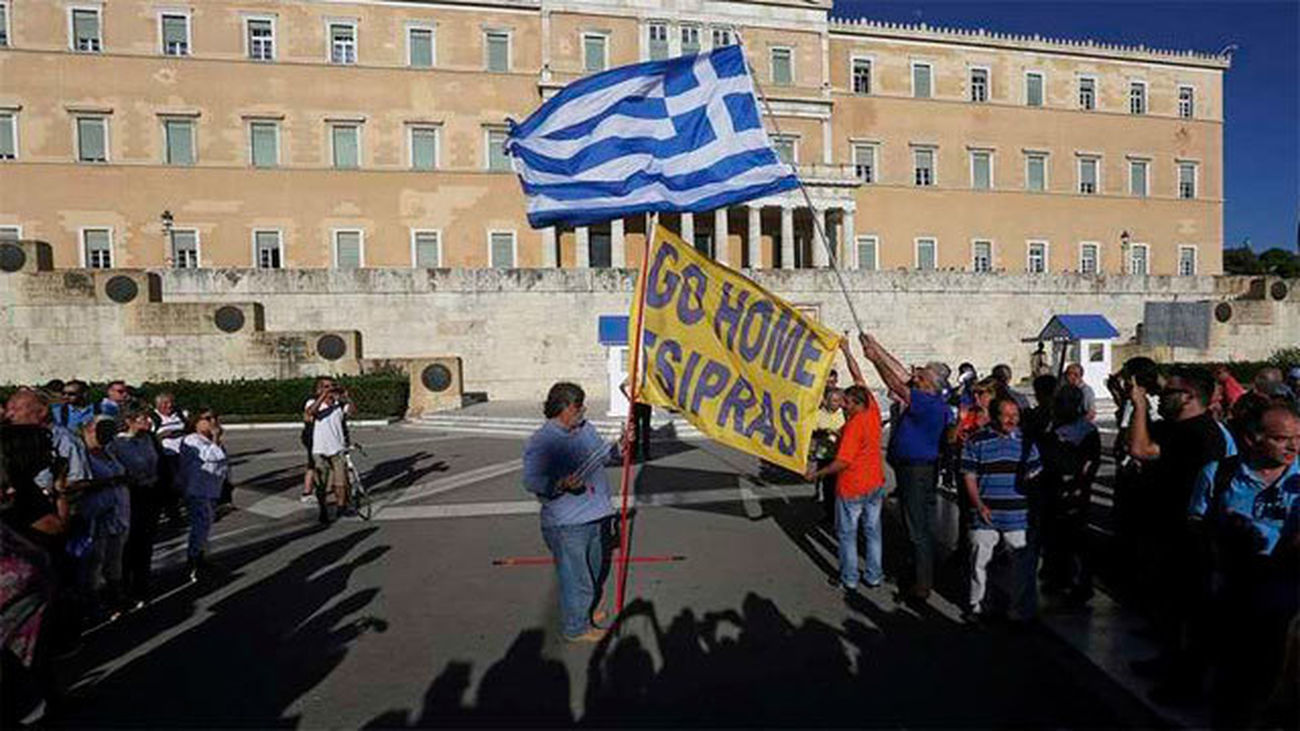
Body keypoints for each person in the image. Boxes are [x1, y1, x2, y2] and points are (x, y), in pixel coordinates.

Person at [1190, 403, 1300, 726]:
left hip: (1288, 602)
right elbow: (1195, 523)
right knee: (1233, 685)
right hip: (1231, 594)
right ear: (1253, 439)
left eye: (1298, 437)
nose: (1294, 446)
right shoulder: (1218, 474)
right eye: (1282, 439)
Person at [1125, 366, 1228, 697]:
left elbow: (1140, 449)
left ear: (1189, 397)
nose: (1161, 397)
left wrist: (1139, 405)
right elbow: (1141, 439)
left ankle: (1186, 681)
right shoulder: (1174, 428)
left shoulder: (1200, 434)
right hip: (1164, 529)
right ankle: (1168, 661)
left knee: (1188, 612)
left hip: (1188, 535)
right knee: (1166, 607)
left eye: (1169, 393)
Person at [522, 382, 620, 642]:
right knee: (578, 579)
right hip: (568, 524)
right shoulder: (542, 441)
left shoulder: (586, 429)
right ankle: (576, 627)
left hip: (597, 515)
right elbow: (532, 481)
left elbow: (605, 456)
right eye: (578, 405)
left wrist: (623, 445)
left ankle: (583, 612)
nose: (583, 410)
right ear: (563, 407)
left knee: (595, 571)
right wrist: (561, 484)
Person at [860, 333, 954, 600]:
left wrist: (875, 359)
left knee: (917, 528)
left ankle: (922, 583)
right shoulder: (934, 399)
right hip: (919, 468)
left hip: (916, 470)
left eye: (920, 376)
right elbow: (900, 374)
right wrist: (875, 346)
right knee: (918, 524)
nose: (915, 376)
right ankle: (918, 572)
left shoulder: (925, 401)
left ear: (929, 384)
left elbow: (894, 382)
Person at [805, 364, 885, 592]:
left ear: (858, 404)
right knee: (873, 531)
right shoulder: (873, 411)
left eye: (847, 402)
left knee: (847, 535)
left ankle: (849, 577)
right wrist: (848, 351)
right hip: (875, 483)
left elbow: (842, 462)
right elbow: (860, 378)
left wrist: (816, 474)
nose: (843, 405)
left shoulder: (853, 425)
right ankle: (874, 575)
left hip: (852, 487)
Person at [960, 397, 1041, 622]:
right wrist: (978, 505)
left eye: (1015, 415)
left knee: (1020, 566)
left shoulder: (1027, 442)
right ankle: (978, 605)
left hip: (1018, 514)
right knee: (979, 561)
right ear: (995, 416)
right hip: (985, 512)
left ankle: (1018, 610)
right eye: (1006, 415)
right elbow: (969, 476)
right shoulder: (976, 441)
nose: (1011, 420)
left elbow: (1035, 476)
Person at [1037, 385, 1102, 605]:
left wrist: (1080, 483)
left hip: (1073, 490)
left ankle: (1081, 582)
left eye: (1065, 401)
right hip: (1051, 489)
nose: (1060, 406)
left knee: (1076, 538)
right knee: (1053, 536)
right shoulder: (1050, 426)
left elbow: (1091, 461)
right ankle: (1057, 575)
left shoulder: (1086, 430)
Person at [108, 404, 162, 606]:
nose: (147, 421)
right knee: (129, 542)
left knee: (146, 541)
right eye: (142, 418)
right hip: (130, 496)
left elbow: (159, 464)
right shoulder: (117, 443)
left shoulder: (149, 440)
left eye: (147, 418)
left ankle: (142, 583)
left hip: (150, 494)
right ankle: (124, 585)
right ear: (129, 421)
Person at [77, 417, 130, 619]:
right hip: (95, 514)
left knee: (114, 557)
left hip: (117, 511)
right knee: (95, 560)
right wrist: (110, 481)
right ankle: (92, 602)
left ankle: (115, 594)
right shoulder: (83, 453)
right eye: (104, 429)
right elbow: (80, 482)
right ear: (90, 429)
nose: (109, 434)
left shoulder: (108, 451)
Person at [178, 409, 228, 583]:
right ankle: (193, 562)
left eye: (215, 417)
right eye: (208, 419)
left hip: (210, 489)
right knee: (200, 527)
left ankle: (201, 557)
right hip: (198, 490)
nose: (213, 421)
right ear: (196, 422)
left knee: (205, 526)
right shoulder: (191, 440)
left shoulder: (207, 440)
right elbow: (211, 457)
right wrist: (215, 438)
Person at [304, 377, 355, 524]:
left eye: (332, 386)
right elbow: (311, 412)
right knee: (321, 484)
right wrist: (323, 397)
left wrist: (348, 398)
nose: (330, 388)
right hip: (319, 450)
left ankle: (341, 507)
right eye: (326, 386)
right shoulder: (312, 403)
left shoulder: (339, 404)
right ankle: (323, 510)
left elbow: (352, 412)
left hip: (337, 448)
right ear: (319, 389)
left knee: (341, 482)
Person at [811, 386, 845, 523]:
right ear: (826, 401)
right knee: (828, 488)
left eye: (838, 401)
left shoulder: (845, 414)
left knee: (840, 488)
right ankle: (830, 514)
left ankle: (840, 515)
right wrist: (823, 432)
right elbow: (811, 433)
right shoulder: (818, 414)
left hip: (841, 456)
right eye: (833, 401)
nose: (836, 403)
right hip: (824, 456)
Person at [618, 377, 653, 462]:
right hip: (636, 404)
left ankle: (645, 453)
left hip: (646, 403)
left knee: (645, 429)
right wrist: (629, 397)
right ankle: (635, 453)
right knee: (635, 429)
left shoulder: (647, 375)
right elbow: (621, 386)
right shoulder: (633, 375)